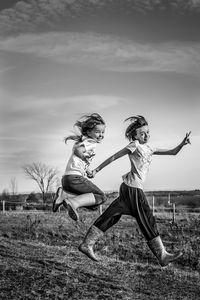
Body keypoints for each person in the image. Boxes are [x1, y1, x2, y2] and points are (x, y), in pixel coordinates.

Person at [78, 115, 191, 267]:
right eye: (142, 133)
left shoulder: (150, 148)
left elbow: (173, 152)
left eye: (147, 132)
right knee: (147, 217)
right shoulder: (134, 145)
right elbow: (114, 157)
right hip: (133, 189)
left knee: (112, 215)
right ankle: (162, 255)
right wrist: (96, 170)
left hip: (129, 188)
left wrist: (182, 144)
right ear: (135, 135)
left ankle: (87, 244)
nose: (146, 135)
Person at [53, 113, 107, 221]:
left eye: (103, 132)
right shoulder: (91, 142)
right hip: (75, 178)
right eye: (97, 132)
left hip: (67, 180)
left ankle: (65, 195)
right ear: (88, 132)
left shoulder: (83, 141)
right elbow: (78, 151)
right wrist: (85, 159)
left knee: (94, 204)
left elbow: (78, 157)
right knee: (101, 196)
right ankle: (71, 201)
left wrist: (86, 170)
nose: (101, 135)